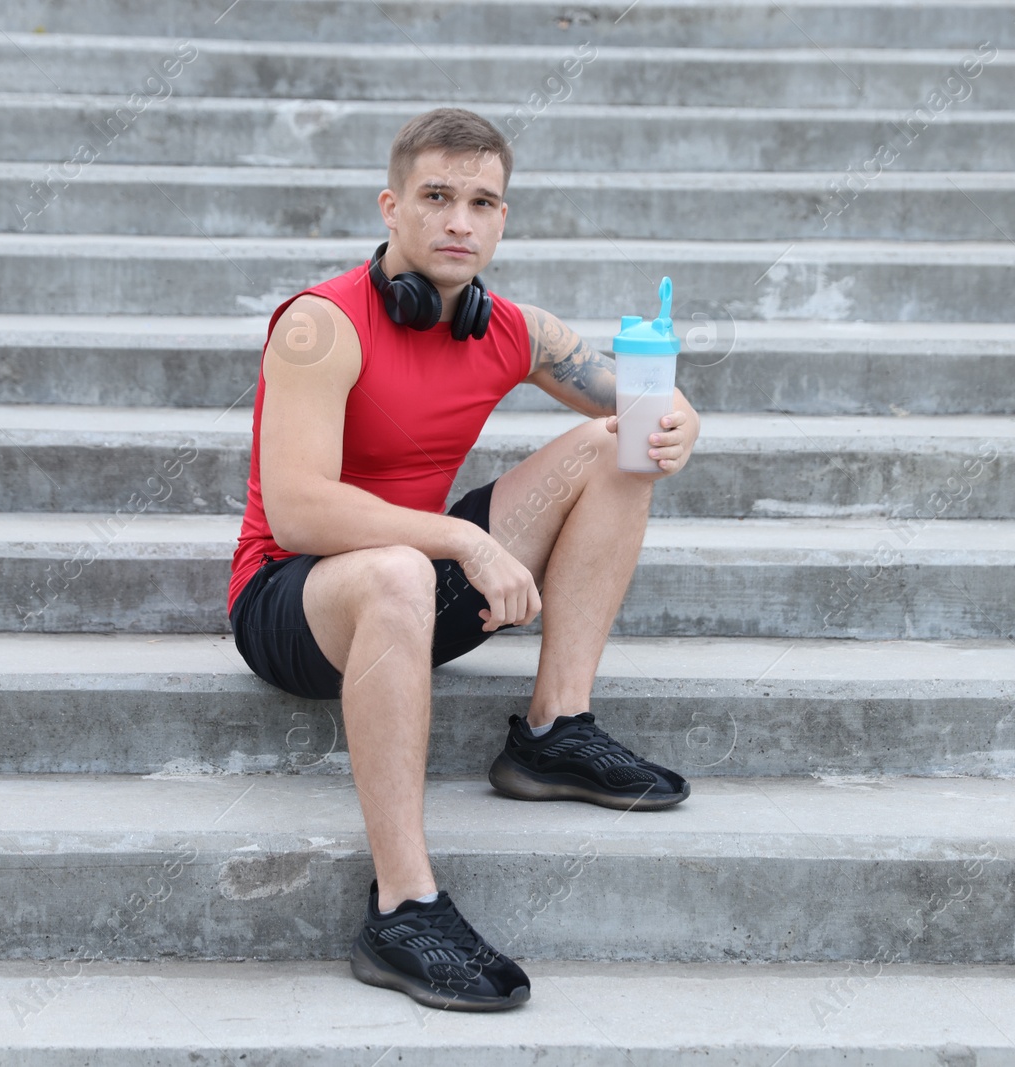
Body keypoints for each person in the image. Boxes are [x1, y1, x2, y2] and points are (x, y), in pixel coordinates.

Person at [226, 107, 701, 1012]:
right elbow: (295, 510)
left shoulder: (513, 328)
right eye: (437, 196)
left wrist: (679, 418)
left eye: (482, 201)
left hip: (405, 585)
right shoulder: (320, 326)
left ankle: (556, 731)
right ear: (391, 207)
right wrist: (462, 537)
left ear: (502, 220)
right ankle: (404, 908)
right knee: (403, 565)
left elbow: (644, 399)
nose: (459, 220)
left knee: (620, 441)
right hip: (292, 599)